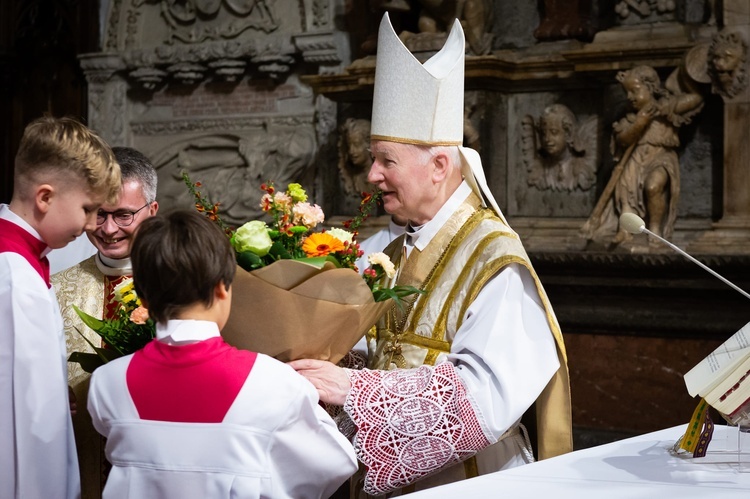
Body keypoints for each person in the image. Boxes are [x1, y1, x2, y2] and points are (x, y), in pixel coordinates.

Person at [290, 13, 572, 496]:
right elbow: (383, 353)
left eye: (387, 160)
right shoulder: (393, 246)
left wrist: (352, 390)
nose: (372, 175)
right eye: (374, 158)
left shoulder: (495, 259)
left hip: (471, 485)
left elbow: (486, 402)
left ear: (440, 165)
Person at [87, 210, 358, 498]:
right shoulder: (272, 381)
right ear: (222, 289)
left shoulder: (106, 383)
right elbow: (333, 464)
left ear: (141, 294)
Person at [0, 115, 121, 499]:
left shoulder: (20, 262)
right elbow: (31, 428)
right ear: (45, 197)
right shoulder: (16, 277)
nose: (91, 225)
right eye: (87, 208)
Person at [52, 146, 159, 498]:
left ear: (152, 210)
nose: (109, 229)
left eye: (124, 215)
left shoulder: (178, 286)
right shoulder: (55, 289)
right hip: (77, 466)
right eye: (99, 213)